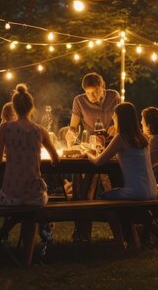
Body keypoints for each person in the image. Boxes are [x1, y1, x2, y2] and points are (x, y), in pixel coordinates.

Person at [0, 84, 59, 250]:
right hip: (33, 197)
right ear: (31, 107)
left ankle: (1, 239)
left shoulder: (5, 128)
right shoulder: (40, 131)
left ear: (14, 108)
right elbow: (56, 159)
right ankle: (37, 241)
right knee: (42, 195)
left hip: (9, 196)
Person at [64, 73, 120, 240]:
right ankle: (82, 233)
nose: (91, 96)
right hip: (90, 150)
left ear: (103, 86)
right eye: (88, 93)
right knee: (84, 192)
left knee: (112, 189)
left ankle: (120, 232)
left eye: (95, 92)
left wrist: (115, 128)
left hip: (110, 148)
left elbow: (120, 121)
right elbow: (73, 127)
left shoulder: (114, 96)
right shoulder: (79, 101)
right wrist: (70, 134)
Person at [88, 102, 157, 200]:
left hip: (136, 192)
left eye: (115, 116)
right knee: (113, 192)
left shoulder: (121, 137)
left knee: (104, 196)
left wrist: (88, 153)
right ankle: (125, 215)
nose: (113, 118)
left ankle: (120, 215)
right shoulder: (141, 137)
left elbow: (98, 162)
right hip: (152, 191)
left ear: (120, 118)